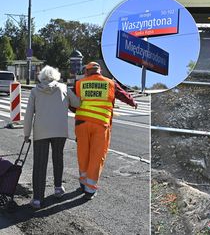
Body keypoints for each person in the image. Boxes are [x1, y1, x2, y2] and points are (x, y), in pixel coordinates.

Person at [74, 61, 137, 200]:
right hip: (101, 125)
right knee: (97, 156)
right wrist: (133, 102)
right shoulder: (110, 83)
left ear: (86, 72)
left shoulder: (79, 83)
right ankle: (90, 189)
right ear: (99, 71)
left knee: (83, 153)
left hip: (81, 124)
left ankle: (83, 181)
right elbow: (123, 94)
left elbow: (72, 101)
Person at [24, 65, 80, 209]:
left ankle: (37, 199)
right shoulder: (63, 87)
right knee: (58, 158)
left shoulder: (35, 91)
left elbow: (29, 114)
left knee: (40, 164)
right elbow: (77, 103)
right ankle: (58, 188)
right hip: (60, 131)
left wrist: (26, 134)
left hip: (41, 132)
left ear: (41, 77)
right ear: (56, 76)